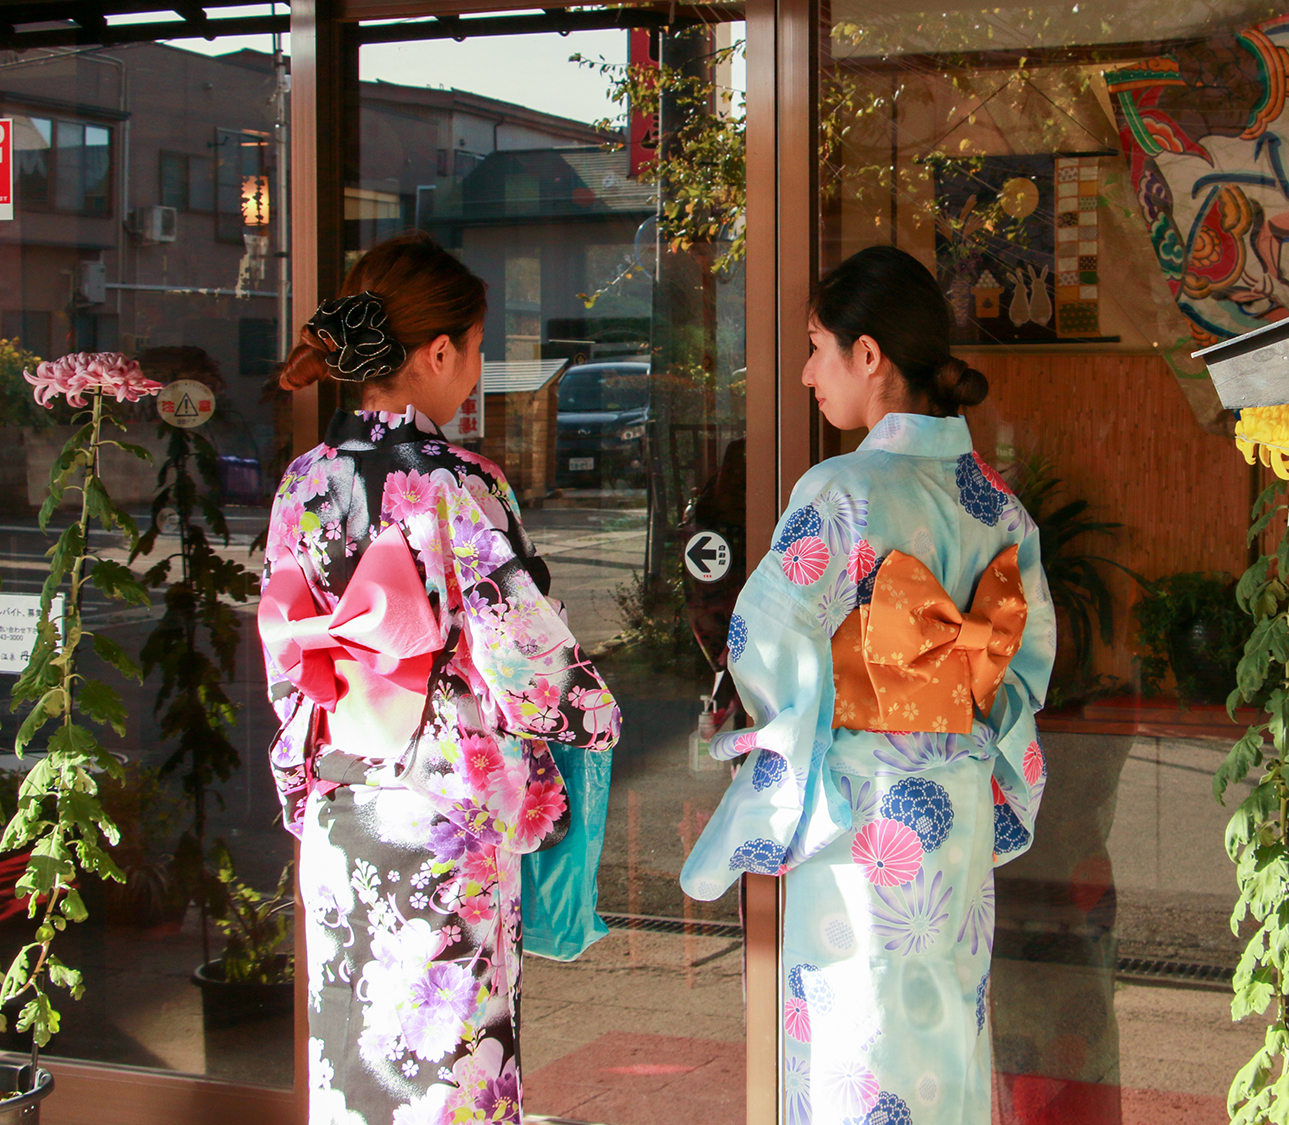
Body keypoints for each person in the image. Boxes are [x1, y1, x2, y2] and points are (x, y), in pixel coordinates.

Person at [681, 246, 1056, 1125]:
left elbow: (762, 639)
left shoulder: (841, 489)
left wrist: (784, 740)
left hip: (861, 814)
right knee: (940, 1037)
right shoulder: (996, 503)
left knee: (857, 1045)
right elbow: (1022, 663)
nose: (808, 373)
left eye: (817, 347)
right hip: (954, 812)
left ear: (870, 355)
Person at [258, 233, 619, 1125]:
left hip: (344, 806)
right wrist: (594, 714)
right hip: (444, 815)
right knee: (452, 1064)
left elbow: (289, 656)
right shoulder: (459, 483)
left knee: (353, 1060)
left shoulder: (304, 480)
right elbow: (524, 655)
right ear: (439, 352)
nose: (479, 367)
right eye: (478, 345)